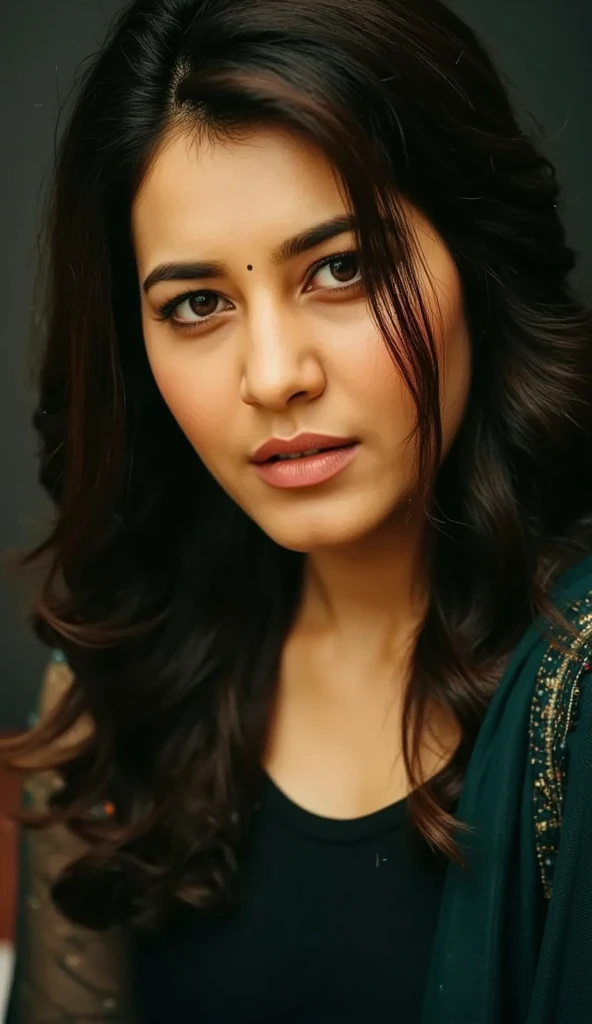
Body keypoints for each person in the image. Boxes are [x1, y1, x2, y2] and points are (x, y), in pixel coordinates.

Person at [2, 0, 592, 1020]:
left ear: (475, 259)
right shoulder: (114, 694)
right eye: (196, 303)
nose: (274, 376)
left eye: (343, 268)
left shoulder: (573, 694)